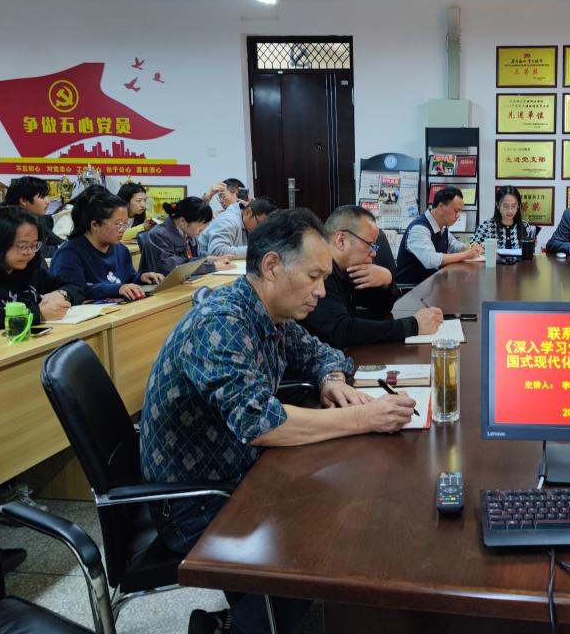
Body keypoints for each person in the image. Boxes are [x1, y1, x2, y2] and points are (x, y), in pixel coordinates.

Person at [139, 208, 416, 634]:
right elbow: (261, 424)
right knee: (330, 526)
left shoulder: (270, 311)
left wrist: (330, 379)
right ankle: (239, 626)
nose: (321, 291)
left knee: (349, 497)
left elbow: (322, 353)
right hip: (197, 501)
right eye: (313, 277)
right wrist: (363, 416)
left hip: (240, 472)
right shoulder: (222, 322)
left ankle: (251, 617)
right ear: (271, 266)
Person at [302, 205, 443, 348]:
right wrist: (413, 325)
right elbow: (341, 331)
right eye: (369, 244)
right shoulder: (318, 273)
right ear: (341, 241)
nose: (374, 253)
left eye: (374, 246)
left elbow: (380, 309)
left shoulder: (351, 270)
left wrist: (387, 282)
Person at [51, 191, 163, 300]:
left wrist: (141, 278)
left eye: (125, 223)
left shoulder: (121, 249)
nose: (123, 229)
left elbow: (127, 278)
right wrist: (117, 289)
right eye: (117, 224)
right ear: (95, 224)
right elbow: (75, 290)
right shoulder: (69, 254)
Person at [0, 206, 83, 325]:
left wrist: (61, 294)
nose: (29, 252)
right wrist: (38, 314)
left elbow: (76, 287)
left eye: (34, 245)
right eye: (22, 246)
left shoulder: (30, 270)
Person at [394, 186, 483, 285]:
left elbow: (454, 246)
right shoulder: (419, 229)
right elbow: (431, 260)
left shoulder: (442, 227)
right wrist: (465, 255)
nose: (458, 216)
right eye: (456, 211)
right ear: (441, 207)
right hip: (413, 289)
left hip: (432, 284)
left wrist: (469, 248)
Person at [141, 197, 235, 276]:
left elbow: (193, 256)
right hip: (159, 287)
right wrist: (212, 267)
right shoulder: (158, 234)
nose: (203, 229)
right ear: (183, 221)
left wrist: (209, 259)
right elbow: (170, 267)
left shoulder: (187, 231)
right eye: (201, 224)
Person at [197, 196, 277, 259]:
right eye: (260, 224)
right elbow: (216, 251)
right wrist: (254, 251)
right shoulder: (228, 220)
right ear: (248, 212)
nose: (260, 230)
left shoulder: (247, 222)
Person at [0, 176, 62, 255]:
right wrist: (62, 249)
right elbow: (31, 251)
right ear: (24, 200)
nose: (48, 201)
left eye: (47, 196)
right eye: (42, 197)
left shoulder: (36, 216)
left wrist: (66, 245)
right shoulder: (6, 221)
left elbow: (52, 237)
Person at [471, 185, 533, 250]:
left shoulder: (525, 226)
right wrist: (480, 248)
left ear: (518, 206)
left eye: (514, 206)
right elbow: (472, 247)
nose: (510, 211)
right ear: (497, 205)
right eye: (506, 206)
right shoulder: (486, 226)